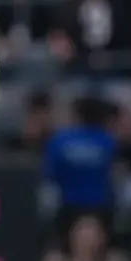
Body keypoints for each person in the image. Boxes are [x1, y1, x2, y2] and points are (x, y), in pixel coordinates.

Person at [44, 95, 118, 244]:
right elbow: (113, 175)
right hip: (100, 207)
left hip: (68, 206)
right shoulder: (108, 141)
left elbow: (50, 174)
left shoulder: (59, 141)